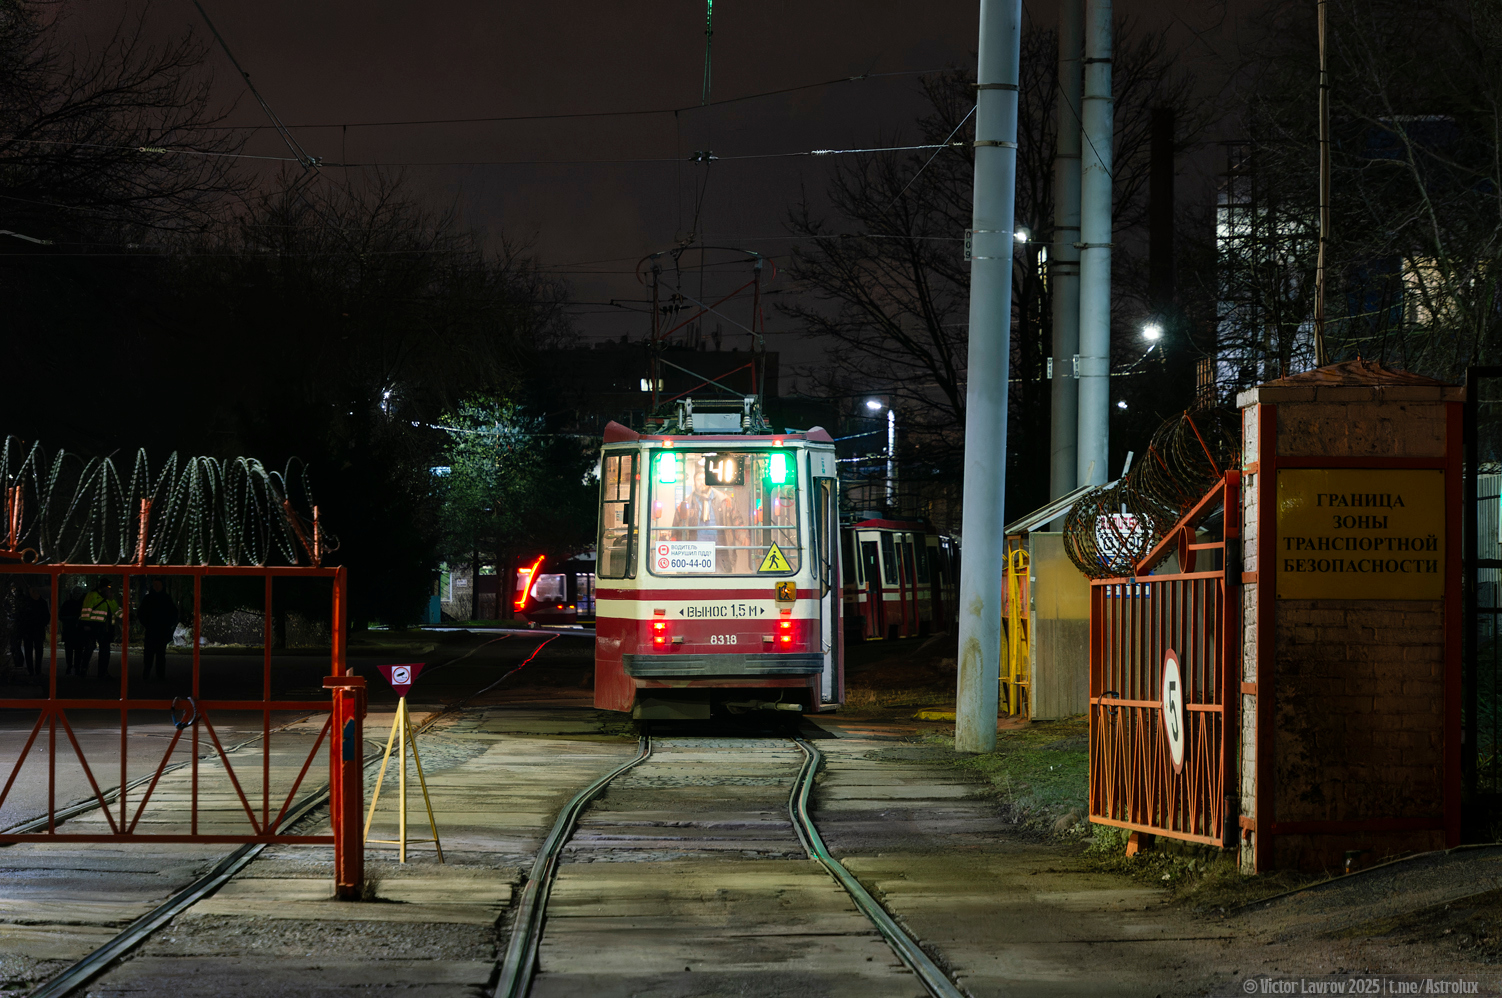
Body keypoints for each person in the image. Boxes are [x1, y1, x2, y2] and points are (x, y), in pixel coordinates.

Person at [79, 581, 120, 680]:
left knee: (105, 651)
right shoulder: (92, 595)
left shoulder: (108, 597)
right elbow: (86, 610)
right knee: (90, 648)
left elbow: (116, 610)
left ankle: (102, 672)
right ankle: (84, 670)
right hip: (93, 626)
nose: (109, 589)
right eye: (108, 587)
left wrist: (128, 616)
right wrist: (86, 624)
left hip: (104, 628)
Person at [138, 579, 177, 681]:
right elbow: (141, 614)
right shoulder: (152, 598)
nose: (156, 587)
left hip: (160, 631)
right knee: (149, 655)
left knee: (160, 655)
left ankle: (159, 675)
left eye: (158, 585)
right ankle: (148, 675)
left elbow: (173, 614)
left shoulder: (163, 599)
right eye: (155, 585)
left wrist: (167, 626)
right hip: (153, 630)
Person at [18, 585, 49, 679]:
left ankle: (34, 670)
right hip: (33, 630)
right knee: (32, 650)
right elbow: (46, 616)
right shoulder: (40, 602)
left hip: (33, 630)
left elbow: (46, 616)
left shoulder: (29, 602)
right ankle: (33, 670)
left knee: (33, 650)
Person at [59, 586, 85, 676]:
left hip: (71, 630)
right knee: (75, 651)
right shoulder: (82, 604)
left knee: (73, 651)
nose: (77, 595)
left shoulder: (67, 604)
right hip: (75, 631)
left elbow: (61, 616)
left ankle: (72, 667)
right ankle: (73, 667)